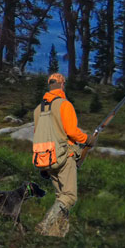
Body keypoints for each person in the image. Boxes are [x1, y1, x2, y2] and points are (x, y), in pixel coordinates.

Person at [34, 72, 94, 237]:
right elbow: (72, 132)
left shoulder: (38, 109)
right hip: (64, 156)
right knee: (69, 197)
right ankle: (45, 225)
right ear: (62, 85)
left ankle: (57, 233)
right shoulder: (64, 105)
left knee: (61, 196)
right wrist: (88, 139)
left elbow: (38, 133)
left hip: (46, 158)